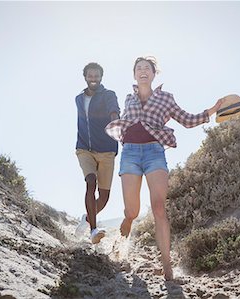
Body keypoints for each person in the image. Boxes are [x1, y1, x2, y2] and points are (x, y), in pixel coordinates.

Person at [105, 56, 225, 280]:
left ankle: (167, 265)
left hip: (154, 154)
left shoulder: (166, 98)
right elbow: (122, 125)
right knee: (132, 211)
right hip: (130, 153)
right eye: (138, 68)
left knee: (159, 207)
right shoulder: (128, 98)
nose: (143, 71)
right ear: (134, 74)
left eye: (147, 68)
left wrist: (212, 110)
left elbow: (187, 120)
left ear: (153, 73)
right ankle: (124, 235)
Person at [74, 62, 120, 244]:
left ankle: (86, 219)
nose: (93, 78)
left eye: (96, 75)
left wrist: (115, 121)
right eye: (90, 75)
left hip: (107, 150)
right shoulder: (78, 99)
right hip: (84, 148)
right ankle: (93, 230)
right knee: (90, 182)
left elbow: (113, 109)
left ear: (101, 77)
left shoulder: (108, 95)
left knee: (104, 197)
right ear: (85, 77)